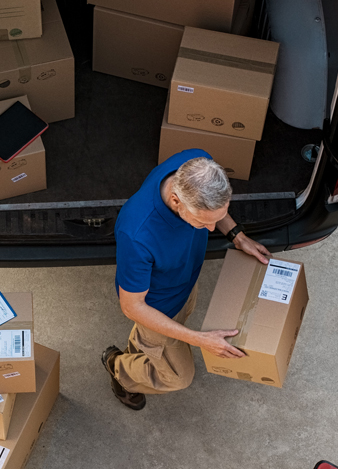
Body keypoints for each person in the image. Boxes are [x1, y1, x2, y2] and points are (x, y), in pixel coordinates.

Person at [102, 149, 272, 409]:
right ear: (176, 201)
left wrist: (238, 236)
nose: (213, 229)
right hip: (158, 307)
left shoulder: (197, 164)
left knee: (156, 342)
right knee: (178, 377)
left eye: (217, 219)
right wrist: (198, 339)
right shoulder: (137, 234)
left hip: (185, 283)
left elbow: (214, 211)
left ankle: (142, 347)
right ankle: (119, 369)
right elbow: (131, 306)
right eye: (202, 222)